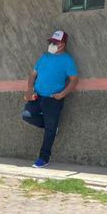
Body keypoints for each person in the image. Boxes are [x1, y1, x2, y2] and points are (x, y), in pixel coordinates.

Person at [22, 29, 79, 168]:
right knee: (26, 115)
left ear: (63, 44)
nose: (52, 45)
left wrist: (62, 94)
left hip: (53, 99)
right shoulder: (44, 57)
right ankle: (51, 128)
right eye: (51, 42)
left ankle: (43, 158)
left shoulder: (67, 60)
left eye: (55, 42)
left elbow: (74, 80)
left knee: (50, 129)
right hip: (37, 96)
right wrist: (29, 90)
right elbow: (33, 75)